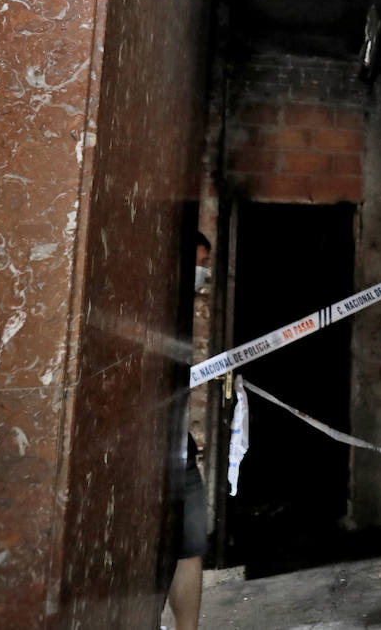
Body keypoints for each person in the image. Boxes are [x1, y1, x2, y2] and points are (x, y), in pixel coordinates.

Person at [164, 232, 212, 630]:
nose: (202, 275)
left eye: (205, 266)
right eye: (197, 264)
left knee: (190, 547)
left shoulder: (179, 319)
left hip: (180, 455)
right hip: (144, 457)